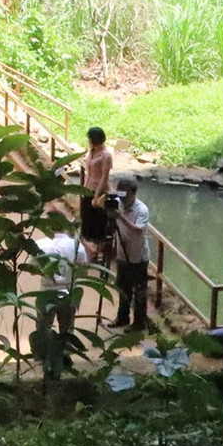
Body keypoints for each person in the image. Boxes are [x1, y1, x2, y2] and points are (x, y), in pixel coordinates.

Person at [31, 226, 87, 369]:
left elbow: (32, 270)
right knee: (67, 329)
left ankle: (42, 358)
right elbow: (83, 270)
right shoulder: (76, 246)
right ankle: (65, 359)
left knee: (43, 328)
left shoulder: (39, 245)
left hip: (46, 293)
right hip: (68, 292)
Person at [107, 177, 151, 330]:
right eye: (121, 195)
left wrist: (121, 217)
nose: (123, 199)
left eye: (125, 195)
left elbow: (138, 230)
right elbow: (98, 202)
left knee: (138, 291)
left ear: (133, 193)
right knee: (122, 288)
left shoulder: (141, 209)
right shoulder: (118, 202)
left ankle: (139, 322)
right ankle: (122, 317)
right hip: (121, 254)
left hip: (137, 257)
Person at [80, 126, 115, 253]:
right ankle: (88, 249)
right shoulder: (92, 151)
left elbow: (104, 176)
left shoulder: (106, 155)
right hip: (88, 188)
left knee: (98, 221)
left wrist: (97, 195)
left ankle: (98, 249)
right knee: (86, 220)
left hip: (98, 191)